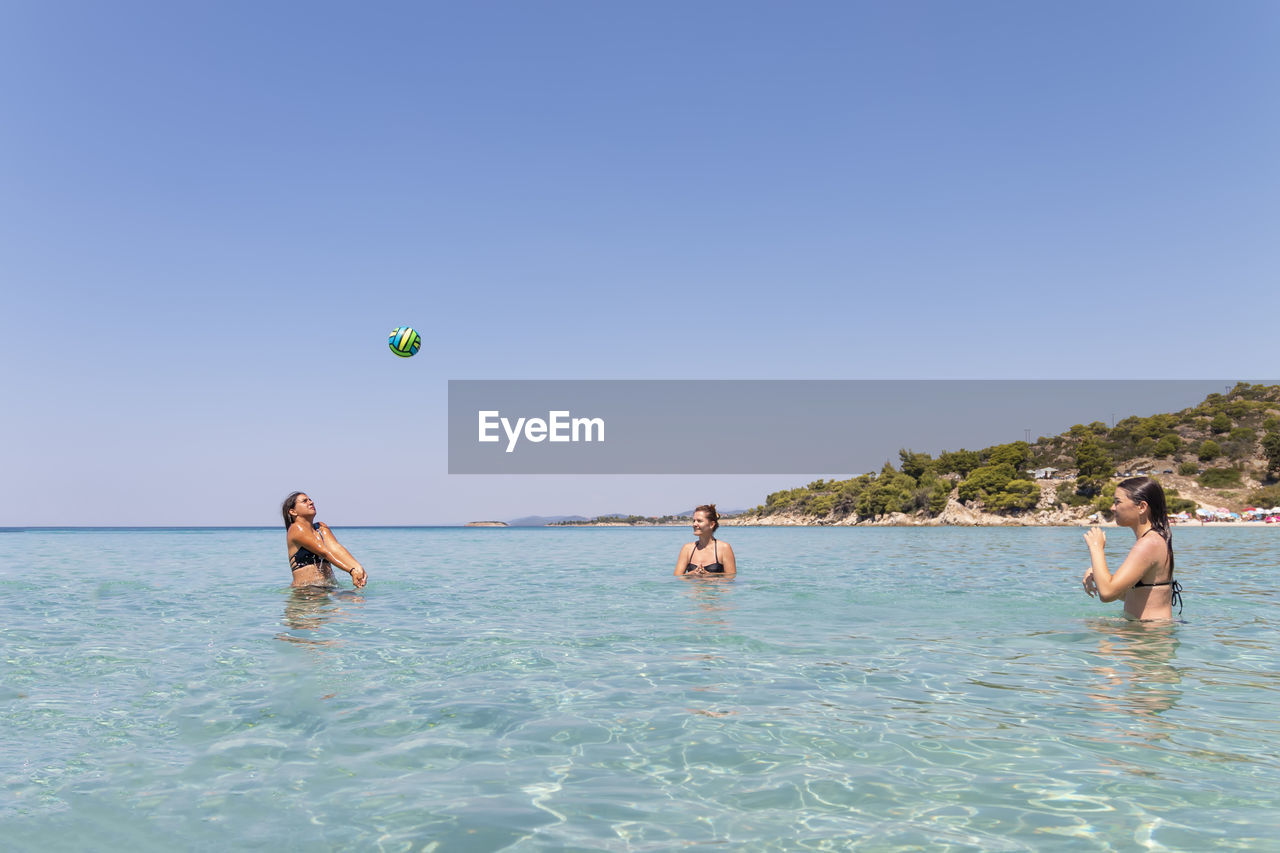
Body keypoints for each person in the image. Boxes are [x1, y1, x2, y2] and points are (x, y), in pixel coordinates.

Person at [1082, 477, 1182, 619]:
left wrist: (1096, 547)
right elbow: (1131, 594)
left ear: (1141, 507)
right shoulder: (1154, 539)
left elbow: (1107, 594)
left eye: (1118, 502)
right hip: (1149, 633)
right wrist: (1097, 576)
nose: (1112, 507)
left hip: (1149, 636)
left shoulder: (1149, 543)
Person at [282, 492, 367, 589]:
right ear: (293, 512)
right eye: (304, 501)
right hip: (305, 591)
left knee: (357, 600)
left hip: (328, 587)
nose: (311, 502)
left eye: (310, 499)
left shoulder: (321, 527)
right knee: (354, 600)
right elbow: (324, 552)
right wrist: (351, 570)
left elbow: (336, 548)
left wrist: (358, 568)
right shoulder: (296, 529)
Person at [674, 504, 736, 577]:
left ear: (712, 524)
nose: (694, 524)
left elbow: (731, 577)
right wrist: (692, 574)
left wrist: (710, 575)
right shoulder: (687, 549)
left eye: (699, 521)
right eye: (694, 521)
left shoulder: (724, 548)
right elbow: (677, 578)